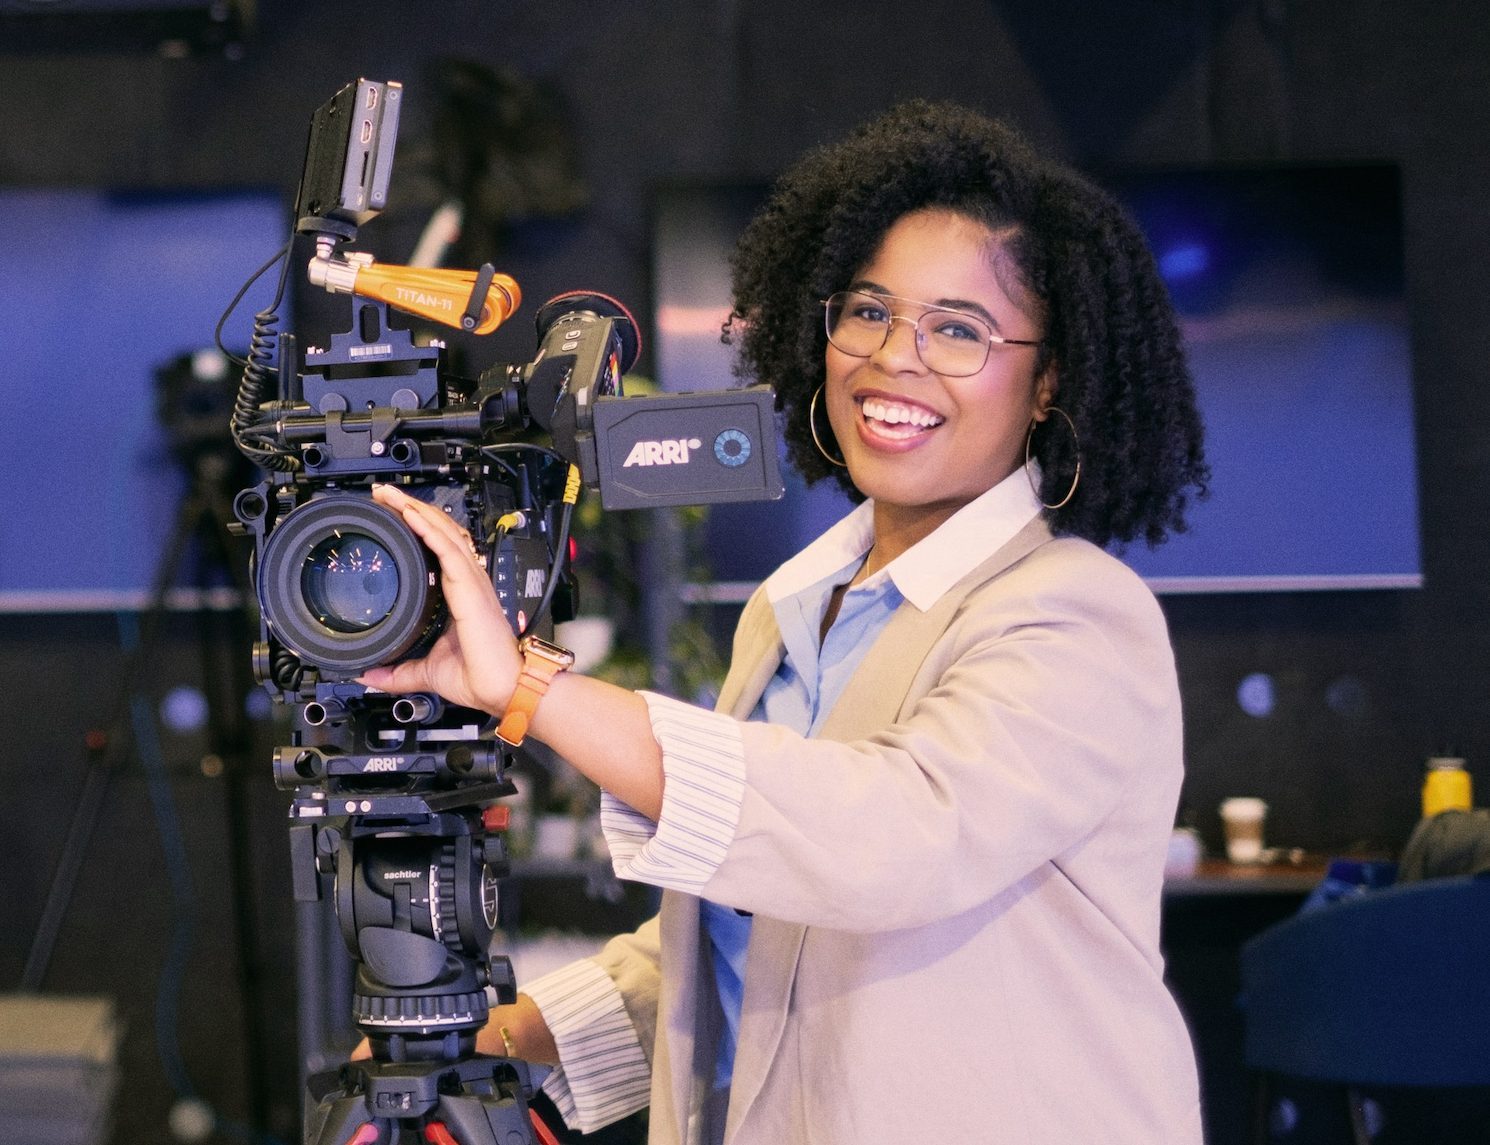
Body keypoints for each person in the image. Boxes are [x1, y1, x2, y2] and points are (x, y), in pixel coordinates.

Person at [359, 99, 1209, 1144]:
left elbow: (885, 836)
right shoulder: (793, 608)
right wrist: (506, 1032)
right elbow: (756, 940)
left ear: (1048, 383)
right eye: (867, 310)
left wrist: (532, 688)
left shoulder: (1073, 612)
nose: (894, 355)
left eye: (957, 329)